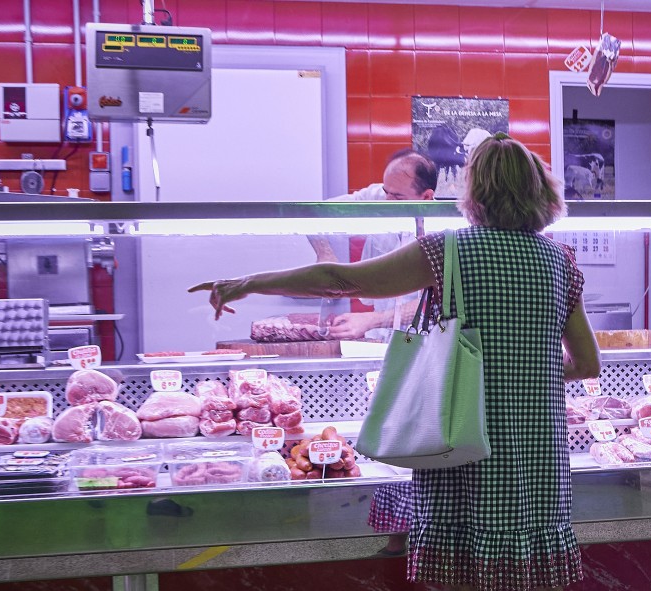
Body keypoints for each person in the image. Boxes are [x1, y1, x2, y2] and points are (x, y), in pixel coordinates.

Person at [190, 132, 602, 590]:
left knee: (464, 576)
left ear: (475, 192)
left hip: (460, 444)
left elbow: (340, 280)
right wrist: (524, 375)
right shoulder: (561, 261)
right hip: (536, 457)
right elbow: (587, 364)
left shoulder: (448, 250)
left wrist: (246, 283)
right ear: (540, 191)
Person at [324, 148, 437, 339]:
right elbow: (318, 214)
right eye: (386, 192)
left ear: (426, 197)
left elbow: (433, 300)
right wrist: (325, 253)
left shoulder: (442, 231)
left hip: (419, 340)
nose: (387, 202)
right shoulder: (379, 196)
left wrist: (371, 320)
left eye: (398, 197)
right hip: (378, 337)